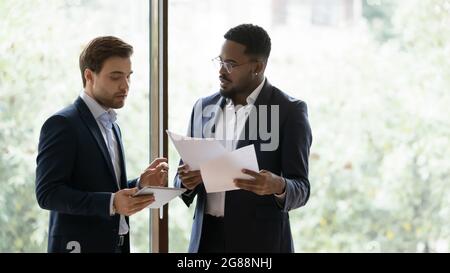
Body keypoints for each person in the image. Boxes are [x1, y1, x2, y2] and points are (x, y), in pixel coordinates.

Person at [174, 24, 312, 252]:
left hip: (260, 245)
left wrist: (277, 185)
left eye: (230, 64)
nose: (221, 71)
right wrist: (185, 182)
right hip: (205, 241)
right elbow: (182, 176)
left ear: (257, 66)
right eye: (220, 61)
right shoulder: (202, 107)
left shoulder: (289, 111)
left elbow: (301, 188)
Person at [36, 36, 168, 253]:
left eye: (128, 76)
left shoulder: (113, 126)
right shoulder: (62, 124)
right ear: (89, 75)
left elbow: (104, 188)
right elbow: (48, 193)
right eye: (116, 77)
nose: (125, 85)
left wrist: (140, 185)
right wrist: (112, 203)